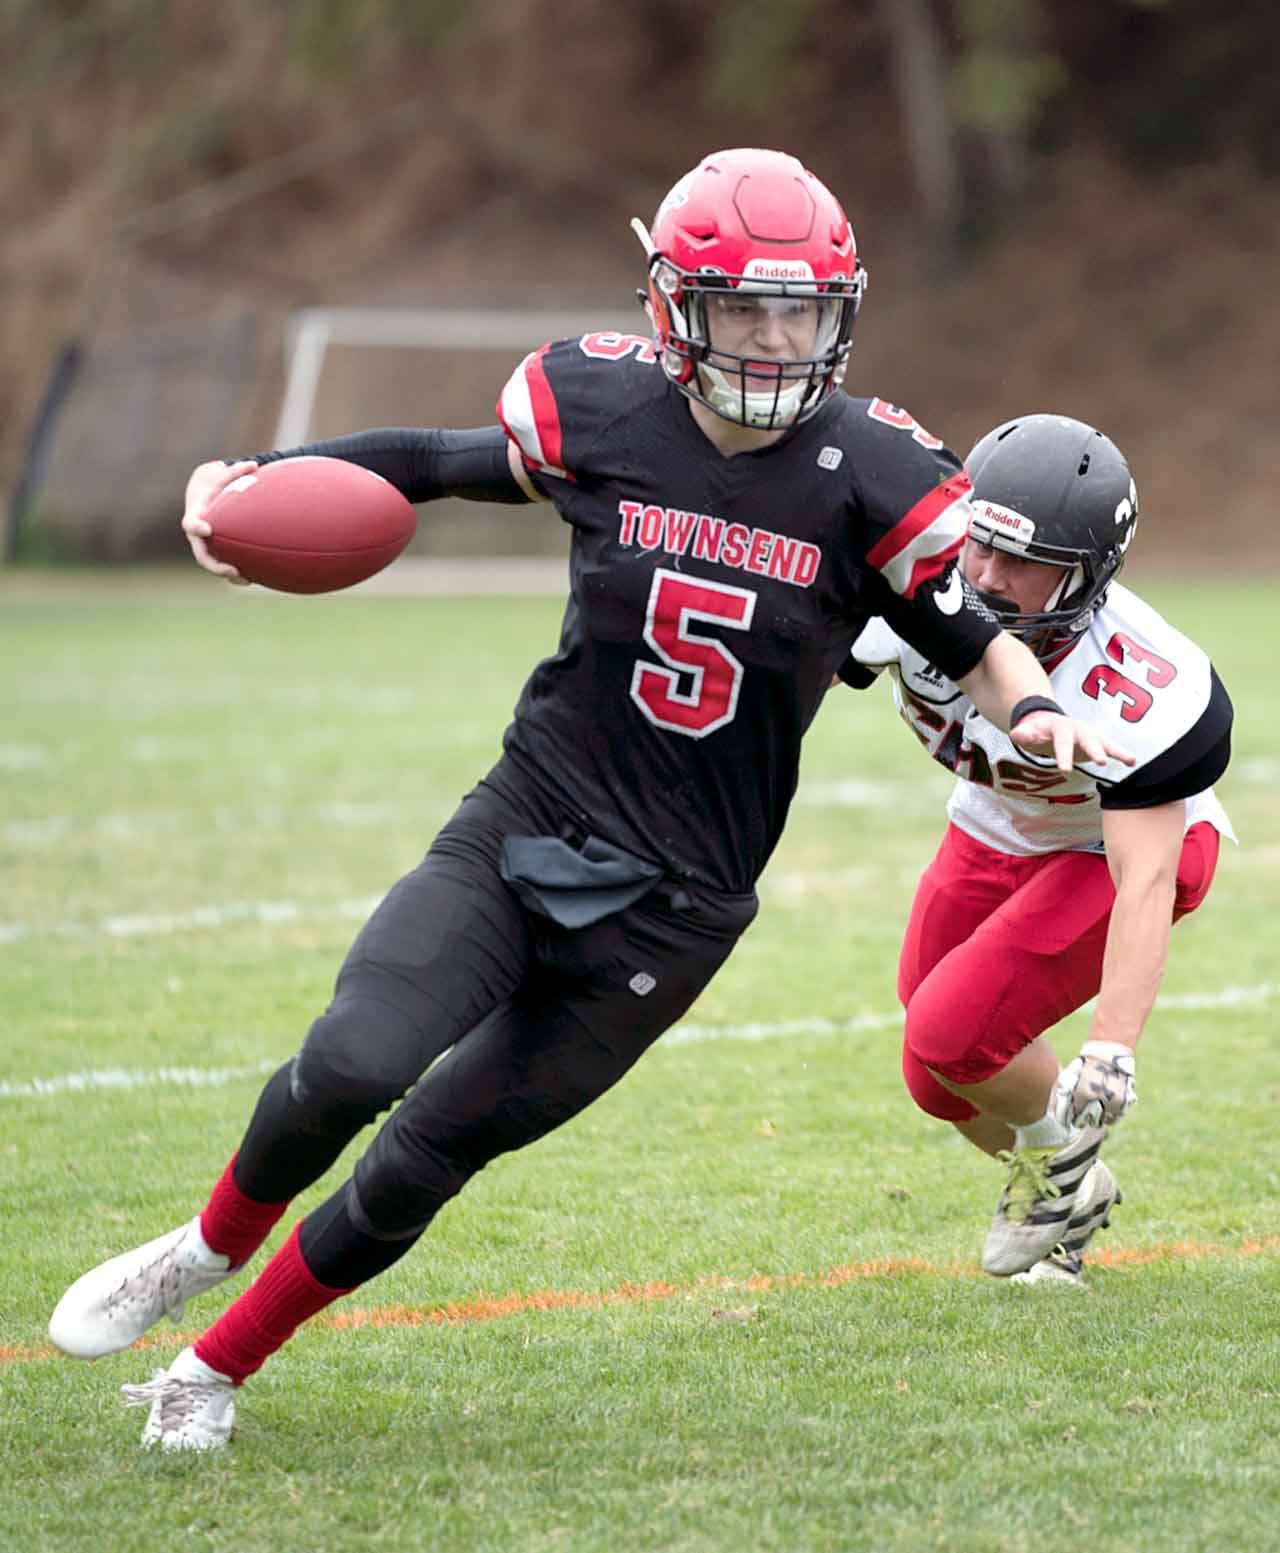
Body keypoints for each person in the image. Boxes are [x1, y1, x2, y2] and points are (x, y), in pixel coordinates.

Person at [48, 149, 1131, 1450]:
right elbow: (428, 459)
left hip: (675, 908)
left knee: (424, 1155)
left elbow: (966, 632)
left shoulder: (875, 473)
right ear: (678, 307)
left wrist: (1039, 709)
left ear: (839, 310)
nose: (778, 336)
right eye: (745, 306)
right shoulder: (600, 411)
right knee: (351, 1063)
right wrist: (255, 476)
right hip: (526, 821)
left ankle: (209, 1372)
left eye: (801, 308)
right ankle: (202, 1247)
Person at [841, 413, 1234, 1287]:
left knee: (951, 1028)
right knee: (934, 1073)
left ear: (1087, 576)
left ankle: (1053, 1175)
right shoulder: (917, 592)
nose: (983, 575)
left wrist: (1111, 1048)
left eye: (1022, 560)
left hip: (1112, 848)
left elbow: (1147, 875)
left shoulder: (1136, 685)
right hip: (994, 822)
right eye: (979, 543)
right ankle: (1073, 1180)